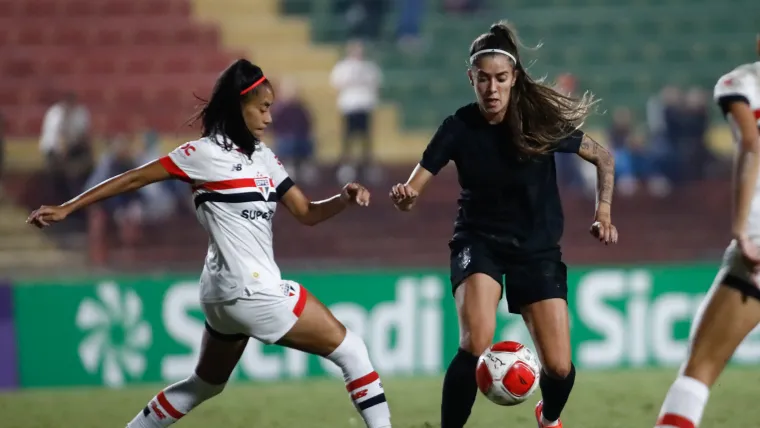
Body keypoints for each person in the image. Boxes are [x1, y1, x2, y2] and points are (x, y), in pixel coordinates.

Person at [27, 59, 393, 428]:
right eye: (262, 109)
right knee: (352, 350)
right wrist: (68, 207)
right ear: (239, 106)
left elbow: (307, 212)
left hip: (220, 295)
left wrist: (343, 199)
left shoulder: (264, 158)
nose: (269, 118)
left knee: (204, 385)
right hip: (253, 289)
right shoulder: (202, 154)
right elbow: (133, 179)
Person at [389, 22, 617, 428]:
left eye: (500, 79)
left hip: (537, 247)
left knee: (560, 368)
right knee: (475, 340)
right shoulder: (458, 127)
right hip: (479, 242)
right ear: (470, 78)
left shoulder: (538, 122)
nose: (491, 89)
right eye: (483, 79)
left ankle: (548, 419)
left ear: (514, 79)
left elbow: (603, 157)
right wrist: (406, 198)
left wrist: (603, 213)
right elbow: (413, 189)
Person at [652, 36, 760, 428]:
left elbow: (751, 143)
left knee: (700, 370)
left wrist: (740, 229)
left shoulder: (741, 83)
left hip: (757, 247)